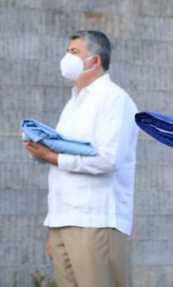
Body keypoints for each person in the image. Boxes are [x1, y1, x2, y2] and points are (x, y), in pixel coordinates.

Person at [23, 30, 139, 287]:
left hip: (95, 220)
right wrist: (55, 226)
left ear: (95, 61)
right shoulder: (73, 102)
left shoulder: (114, 100)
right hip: (64, 219)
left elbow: (108, 160)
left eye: (74, 52)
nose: (67, 58)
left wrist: (53, 158)